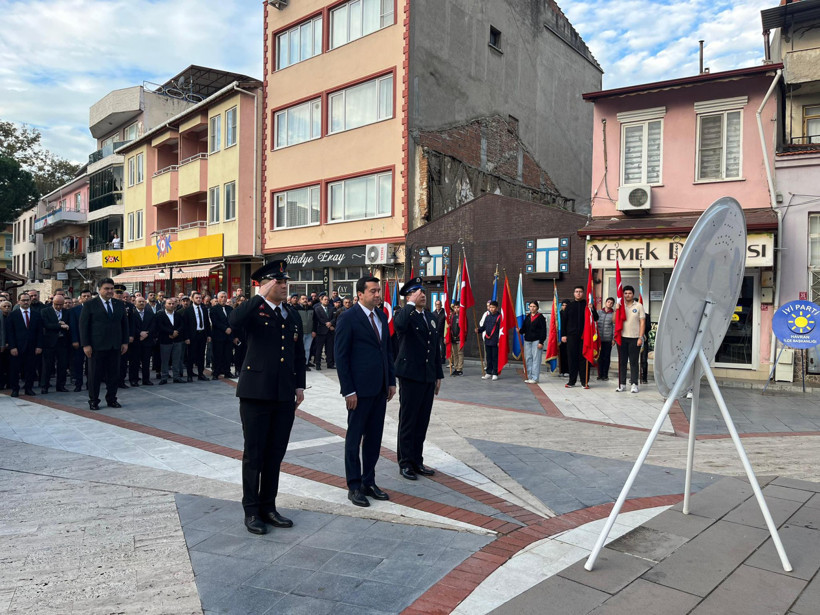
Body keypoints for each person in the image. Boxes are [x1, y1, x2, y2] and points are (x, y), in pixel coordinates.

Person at [230, 260, 305, 534]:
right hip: (256, 393)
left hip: (283, 394)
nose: (284, 286)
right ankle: (251, 511)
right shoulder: (254, 310)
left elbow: (298, 354)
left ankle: (268, 506)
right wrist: (259, 295)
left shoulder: (291, 314)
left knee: (275, 454)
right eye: (279, 281)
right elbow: (234, 321)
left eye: (286, 281)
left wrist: (299, 386)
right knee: (254, 454)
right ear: (266, 284)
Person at [334, 276, 396, 507]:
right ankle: (354, 485)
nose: (378, 294)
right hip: (358, 392)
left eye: (378, 290)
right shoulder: (348, 318)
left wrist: (390, 381)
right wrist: (348, 390)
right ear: (360, 294)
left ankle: (369, 481)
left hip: (379, 389)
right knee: (354, 438)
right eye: (373, 291)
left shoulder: (381, 316)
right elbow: (341, 356)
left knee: (374, 438)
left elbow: (387, 351)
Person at [393, 277, 443, 481]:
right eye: (417, 292)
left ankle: (417, 460)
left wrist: (438, 375)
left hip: (427, 376)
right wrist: (410, 304)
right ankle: (405, 462)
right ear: (409, 296)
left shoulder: (430, 317)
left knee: (422, 420)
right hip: (410, 375)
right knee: (408, 420)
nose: (423, 294)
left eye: (423, 291)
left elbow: (435, 349)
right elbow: (399, 326)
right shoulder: (405, 314)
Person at [79, 278, 129, 410]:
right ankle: (93, 400)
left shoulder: (119, 304)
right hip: (96, 346)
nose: (110, 291)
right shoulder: (90, 304)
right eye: (106, 289)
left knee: (114, 375)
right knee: (95, 375)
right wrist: (86, 345)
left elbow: (124, 324)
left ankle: (112, 399)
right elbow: (83, 326)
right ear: (99, 290)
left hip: (115, 346)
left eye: (111, 288)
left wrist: (125, 342)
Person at [6, 292, 42, 397]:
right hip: (17, 347)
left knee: (30, 369)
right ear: (18, 301)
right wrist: (12, 347)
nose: (26, 302)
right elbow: (10, 332)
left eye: (27, 300)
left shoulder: (36, 314)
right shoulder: (13, 315)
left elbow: (39, 332)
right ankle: (15, 389)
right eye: (23, 300)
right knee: (15, 369)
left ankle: (28, 388)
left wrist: (39, 346)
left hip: (32, 347)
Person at [561, 286, 597, 389]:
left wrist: (592, 309)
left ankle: (584, 381)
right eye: (576, 291)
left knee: (584, 358)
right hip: (571, 336)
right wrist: (563, 335)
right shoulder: (569, 306)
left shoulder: (588, 306)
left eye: (580, 292)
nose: (578, 293)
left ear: (583, 293)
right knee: (572, 359)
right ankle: (572, 381)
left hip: (585, 337)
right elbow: (564, 322)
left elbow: (596, 318)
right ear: (574, 293)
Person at [616, 285, 645, 394]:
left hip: (634, 338)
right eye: (626, 293)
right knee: (622, 362)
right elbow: (614, 321)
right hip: (622, 338)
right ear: (623, 294)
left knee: (633, 362)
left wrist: (640, 337)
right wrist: (616, 310)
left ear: (633, 294)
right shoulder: (620, 306)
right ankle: (622, 384)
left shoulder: (638, 306)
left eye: (630, 293)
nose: (627, 295)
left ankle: (634, 384)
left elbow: (642, 322)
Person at [40, 294, 71, 393]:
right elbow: (46, 325)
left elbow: (70, 325)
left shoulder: (67, 312)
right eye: (56, 304)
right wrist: (60, 325)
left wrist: (66, 326)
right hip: (49, 342)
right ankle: (45, 386)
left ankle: (61, 385)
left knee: (62, 365)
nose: (59, 307)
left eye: (61, 305)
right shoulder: (45, 311)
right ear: (53, 302)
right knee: (47, 366)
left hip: (62, 342)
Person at [155, 297, 186, 384]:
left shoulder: (178, 314)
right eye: (169, 303)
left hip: (177, 340)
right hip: (165, 340)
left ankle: (176, 377)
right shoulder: (160, 315)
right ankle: (164, 377)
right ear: (165, 305)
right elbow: (160, 326)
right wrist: (171, 332)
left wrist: (176, 332)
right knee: (165, 360)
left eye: (173, 304)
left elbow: (182, 325)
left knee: (176, 359)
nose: (171, 305)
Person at [183, 291, 211, 382]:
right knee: (191, 356)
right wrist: (186, 337)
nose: (199, 299)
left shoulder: (204, 309)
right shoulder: (188, 310)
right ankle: (190, 375)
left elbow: (207, 323)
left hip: (202, 335)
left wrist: (208, 335)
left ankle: (200, 374)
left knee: (201, 355)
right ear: (192, 299)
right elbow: (185, 325)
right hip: (192, 336)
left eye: (200, 298)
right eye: (197, 298)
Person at [129, 296, 156, 386]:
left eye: (143, 302)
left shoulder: (150, 313)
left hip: (147, 341)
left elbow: (153, 326)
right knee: (134, 362)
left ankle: (146, 379)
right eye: (139, 302)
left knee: (146, 362)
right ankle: (134, 380)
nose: (141, 303)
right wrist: (139, 333)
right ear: (135, 303)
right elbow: (131, 326)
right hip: (136, 341)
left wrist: (146, 334)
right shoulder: (131, 314)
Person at [209, 291, 236, 379]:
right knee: (218, 355)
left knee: (228, 355)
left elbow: (232, 320)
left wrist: (230, 328)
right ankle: (216, 372)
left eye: (225, 297)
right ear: (217, 298)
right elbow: (215, 322)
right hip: (218, 336)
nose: (223, 299)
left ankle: (227, 372)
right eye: (221, 297)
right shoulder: (214, 309)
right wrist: (225, 329)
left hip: (228, 337)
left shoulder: (230, 308)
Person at [519, 300, 547, 384]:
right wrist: (519, 330)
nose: (532, 308)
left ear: (537, 307)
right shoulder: (527, 317)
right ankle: (529, 376)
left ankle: (535, 378)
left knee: (536, 359)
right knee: (528, 359)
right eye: (530, 306)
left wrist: (541, 342)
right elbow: (524, 328)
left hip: (536, 341)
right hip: (527, 340)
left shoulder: (540, 317)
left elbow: (543, 331)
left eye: (534, 306)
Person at [69, 289, 91, 391]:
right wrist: (75, 340)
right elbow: (73, 326)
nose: (86, 298)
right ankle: (78, 384)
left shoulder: (95, 308)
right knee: (78, 363)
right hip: (79, 341)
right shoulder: (75, 310)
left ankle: (89, 384)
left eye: (88, 296)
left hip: (92, 342)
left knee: (90, 365)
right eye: (84, 296)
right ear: (80, 298)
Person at [477, 300, 501, 380]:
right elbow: (484, 327)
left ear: (497, 308)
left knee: (495, 357)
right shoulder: (487, 316)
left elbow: (501, 330)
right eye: (490, 307)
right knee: (488, 357)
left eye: (493, 307)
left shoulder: (499, 317)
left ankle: (495, 373)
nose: (491, 309)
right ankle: (488, 372)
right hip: (488, 339)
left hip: (495, 340)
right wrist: (479, 330)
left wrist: (499, 340)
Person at [312, 293, 335, 370]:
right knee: (319, 349)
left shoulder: (331, 308)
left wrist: (331, 323)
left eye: (328, 300)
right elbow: (319, 318)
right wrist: (327, 324)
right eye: (325, 299)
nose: (326, 301)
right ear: (321, 301)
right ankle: (318, 364)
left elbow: (334, 318)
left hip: (329, 332)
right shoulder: (317, 309)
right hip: (321, 331)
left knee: (329, 348)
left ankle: (330, 363)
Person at [597, 297, 615, 381]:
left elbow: (614, 327)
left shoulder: (614, 314)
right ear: (605, 303)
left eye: (611, 303)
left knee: (606, 357)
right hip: (599, 339)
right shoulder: (599, 312)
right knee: (599, 357)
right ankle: (600, 374)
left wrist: (613, 339)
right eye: (608, 302)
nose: (609, 304)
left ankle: (605, 375)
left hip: (608, 339)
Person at [296, 294, 315, 370]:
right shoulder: (296, 309)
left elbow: (315, 321)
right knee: (300, 349)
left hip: (310, 333)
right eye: (303, 298)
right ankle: (299, 364)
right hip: (301, 333)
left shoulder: (311, 309)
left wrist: (314, 330)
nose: (305, 300)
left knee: (307, 349)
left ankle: (306, 364)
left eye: (306, 298)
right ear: (300, 300)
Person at [448, 302, 463, 375]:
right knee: (455, 353)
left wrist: (461, 336)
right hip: (453, 337)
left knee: (460, 353)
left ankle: (460, 369)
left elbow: (464, 328)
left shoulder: (462, 316)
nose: (456, 309)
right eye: (455, 308)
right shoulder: (452, 316)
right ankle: (456, 367)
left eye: (458, 307)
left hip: (460, 337)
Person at [432, 299, 447, 364]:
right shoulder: (433, 313)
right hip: (435, 333)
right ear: (435, 305)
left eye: (439, 304)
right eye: (436, 304)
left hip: (442, 333)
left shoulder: (444, 313)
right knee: (435, 346)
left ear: (441, 305)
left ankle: (443, 358)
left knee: (442, 346)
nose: (438, 306)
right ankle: (436, 358)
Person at [558, 300, 569, 376]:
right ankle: (562, 370)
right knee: (561, 354)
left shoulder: (571, 314)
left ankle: (568, 371)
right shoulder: (559, 315)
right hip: (560, 337)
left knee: (568, 355)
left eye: (566, 305)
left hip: (569, 337)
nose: (564, 307)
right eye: (563, 305)